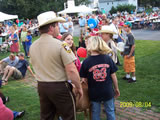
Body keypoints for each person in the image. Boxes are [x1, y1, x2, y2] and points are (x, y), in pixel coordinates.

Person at [29, 11, 83, 120]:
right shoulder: (61, 45)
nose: (59, 28)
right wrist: (79, 87)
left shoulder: (33, 46)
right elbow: (72, 70)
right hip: (59, 87)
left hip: (42, 86)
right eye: (57, 25)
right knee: (69, 115)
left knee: (47, 116)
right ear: (51, 27)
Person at [80, 36, 120, 120]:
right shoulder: (107, 59)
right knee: (110, 111)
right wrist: (116, 88)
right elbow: (113, 76)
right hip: (108, 91)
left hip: (94, 92)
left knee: (95, 112)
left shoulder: (86, 62)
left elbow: (84, 80)